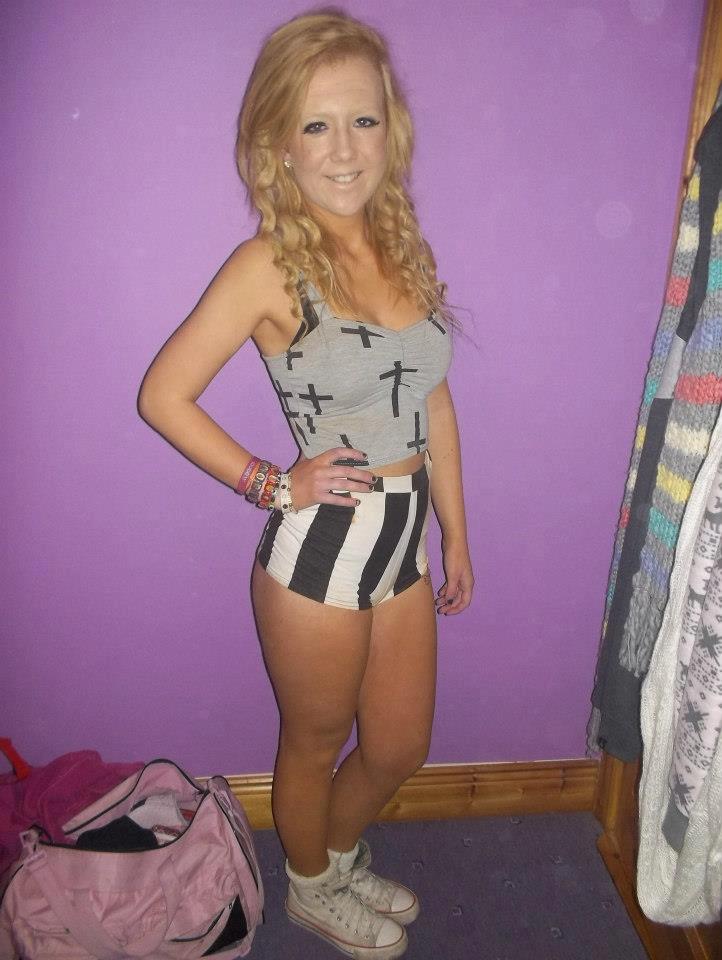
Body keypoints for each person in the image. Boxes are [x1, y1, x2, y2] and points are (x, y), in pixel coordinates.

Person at [139, 9, 473, 959]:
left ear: (391, 128)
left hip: (403, 538)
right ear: (279, 143)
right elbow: (163, 396)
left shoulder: (403, 244)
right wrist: (269, 483)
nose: (344, 148)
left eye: (363, 120)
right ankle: (313, 888)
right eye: (316, 125)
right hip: (321, 549)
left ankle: (330, 853)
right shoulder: (268, 266)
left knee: (401, 744)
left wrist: (456, 529)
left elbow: (434, 399)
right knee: (314, 742)